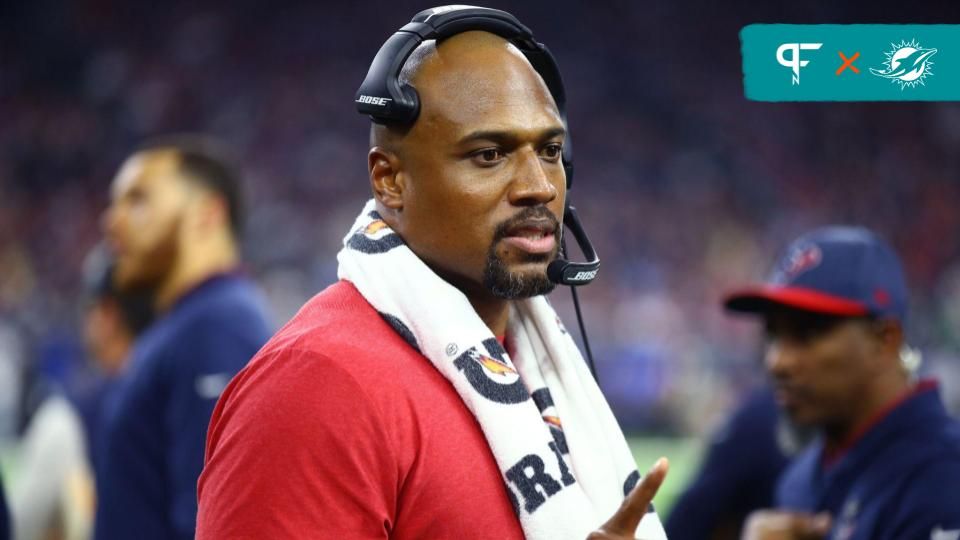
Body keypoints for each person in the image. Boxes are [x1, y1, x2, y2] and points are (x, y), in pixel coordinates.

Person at [197, 6, 668, 540]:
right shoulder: (316, 386)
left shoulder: (530, 360)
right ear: (390, 181)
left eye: (551, 151)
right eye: (490, 154)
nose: (539, 185)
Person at [722, 226, 960, 540]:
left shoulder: (945, 476)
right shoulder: (800, 480)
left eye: (807, 333)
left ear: (885, 340)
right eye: (773, 336)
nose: (777, 361)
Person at [96, 136, 272, 540]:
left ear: (207, 215)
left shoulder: (218, 326)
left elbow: (211, 522)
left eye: (137, 200)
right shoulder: (187, 324)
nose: (112, 220)